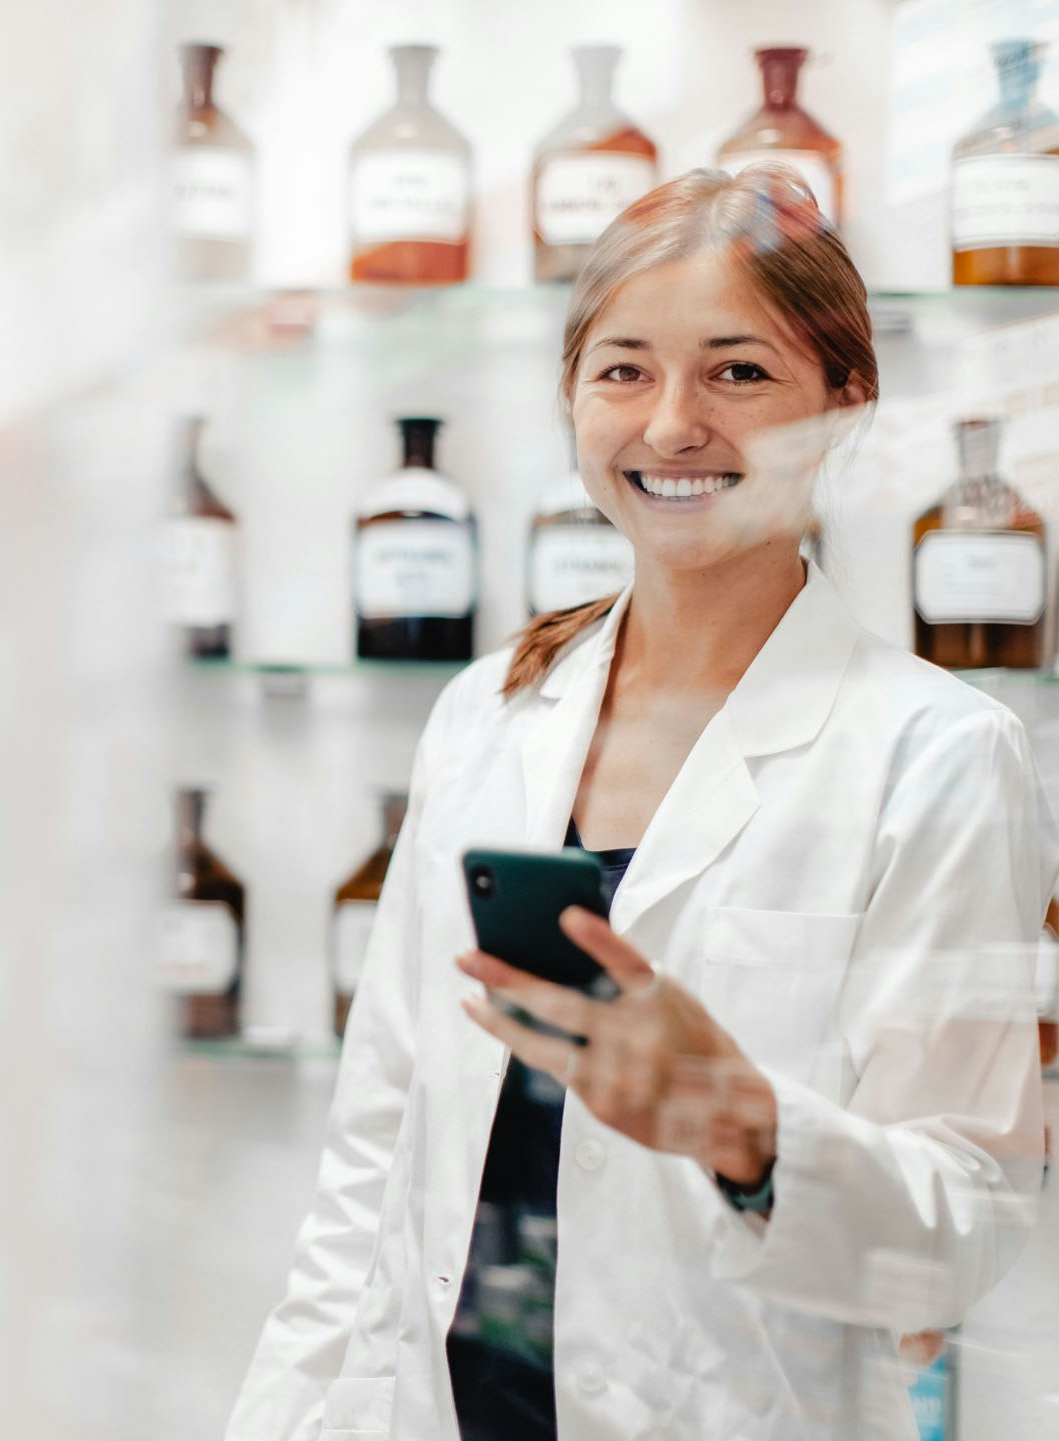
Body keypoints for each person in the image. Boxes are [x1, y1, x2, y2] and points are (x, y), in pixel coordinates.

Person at [224, 166, 1058, 1440]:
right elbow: (372, 1155)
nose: (670, 425)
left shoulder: (936, 755)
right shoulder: (489, 717)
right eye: (622, 370)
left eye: (737, 373)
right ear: (571, 396)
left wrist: (746, 1123)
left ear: (845, 406)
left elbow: (966, 1224)